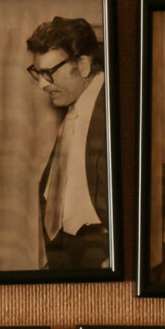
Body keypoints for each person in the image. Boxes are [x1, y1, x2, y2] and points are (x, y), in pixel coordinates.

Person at [30, 16, 111, 272]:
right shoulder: (75, 105)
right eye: (38, 73)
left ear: (83, 65)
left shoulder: (113, 106)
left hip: (101, 252)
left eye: (49, 73)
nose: (42, 84)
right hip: (64, 249)